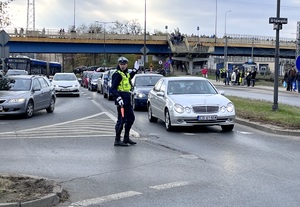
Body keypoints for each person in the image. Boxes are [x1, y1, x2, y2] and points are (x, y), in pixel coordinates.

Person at [111, 57, 138, 146]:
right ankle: (117, 139)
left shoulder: (125, 74)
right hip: (121, 100)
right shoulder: (117, 74)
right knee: (121, 120)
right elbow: (113, 89)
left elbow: (129, 77)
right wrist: (118, 98)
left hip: (127, 98)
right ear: (119, 64)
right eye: (121, 64)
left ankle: (126, 137)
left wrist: (135, 70)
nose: (122, 66)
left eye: (124, 64)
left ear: (126, 65)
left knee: (131, 118)